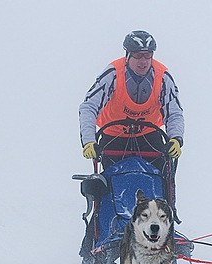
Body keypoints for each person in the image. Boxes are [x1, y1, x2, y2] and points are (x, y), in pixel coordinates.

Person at [78, 30, 184, 172]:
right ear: (127, 55)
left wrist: (176, 139)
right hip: (114, 136)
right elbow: (89, 106)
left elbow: (174, 112)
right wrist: (89, 141)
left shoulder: (163, 77)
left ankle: (156, 193)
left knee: (162, 175)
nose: (143, 61)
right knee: (111, 180)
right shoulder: (113, 74)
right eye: (138, 55)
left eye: (148, 56)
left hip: (148, 136)